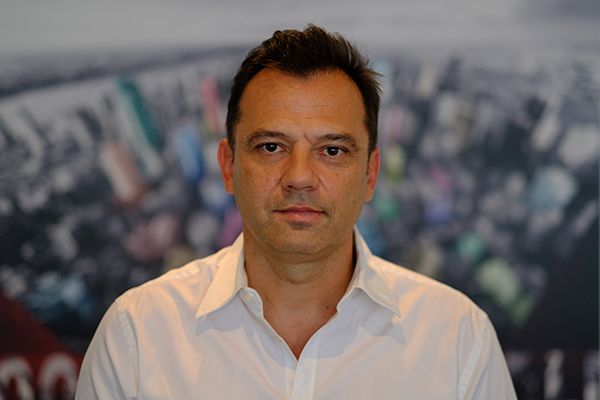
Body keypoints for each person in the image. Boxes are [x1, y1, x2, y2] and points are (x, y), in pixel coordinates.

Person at [75, 25, 517, 399]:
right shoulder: (136, 338)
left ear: (370, 175)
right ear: (228, 167)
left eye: (332, 150)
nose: (300, 177)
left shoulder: (459, 340)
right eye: (271, 146)